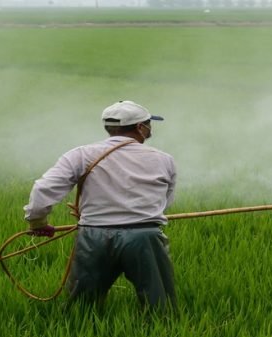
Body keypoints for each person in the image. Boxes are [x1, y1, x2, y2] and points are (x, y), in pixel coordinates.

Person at [23, 100, 177, 310]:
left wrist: (37, 222)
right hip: (145, 237)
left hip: (94, 237)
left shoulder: (81, 154)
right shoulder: (163, 160)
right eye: (149, 124)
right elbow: (165, 202)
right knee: (160, 305)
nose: (150, 128)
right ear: (140, 128)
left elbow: (43, 189)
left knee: (82, 308)